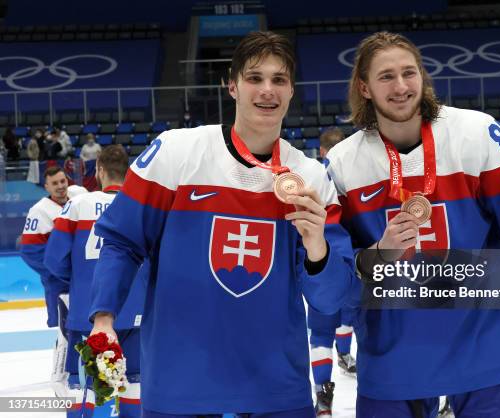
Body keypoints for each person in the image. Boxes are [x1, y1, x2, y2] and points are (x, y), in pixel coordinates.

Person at [325, 31, 500, 418]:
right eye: (386, 76)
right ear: (363, 87)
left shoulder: (477, 133)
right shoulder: (342, 164)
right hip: (394, 362)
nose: (401, 86)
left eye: (409, 72)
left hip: (487, 352)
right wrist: (379, 254)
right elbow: (338, 278)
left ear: (422, 76)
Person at [88, 31, 355, 417]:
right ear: (231, 86)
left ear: (292, 90)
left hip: (274, 387)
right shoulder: (177, 153)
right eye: (254, 78)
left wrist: (317, 247)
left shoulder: (309, 178)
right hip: (180, 381)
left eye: (279, 79)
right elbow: (122, 240)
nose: (267, 90)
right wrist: (104, 316)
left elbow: (331, 299)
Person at [44, 145, 145, 418]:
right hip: (135, 311)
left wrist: (79, 280)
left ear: (99, 170)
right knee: (134, 383)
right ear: (130, 171)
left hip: (88, 312)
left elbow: (54, 260)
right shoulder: (141, 205)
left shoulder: (78, 205)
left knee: (81, 386)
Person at [20, 167, 87, 395]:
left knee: (84, 330)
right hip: (62, 286)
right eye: (54, 183)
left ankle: (81, 377)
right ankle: (59, 381)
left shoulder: (80, 196)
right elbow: (30, 251)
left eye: (62, 181)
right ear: (46, 187)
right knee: (65, 333)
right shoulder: (39, 212)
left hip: (85, 281)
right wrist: (62, 273)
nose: (60, 186)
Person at [308, 127, 357, 417]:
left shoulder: (312, 175)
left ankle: (323, 397)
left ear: (323, 151)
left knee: (320, 331)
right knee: (350, 317)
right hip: (356, 260)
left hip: (323, 260)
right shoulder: (356, 170)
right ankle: (345, 356)